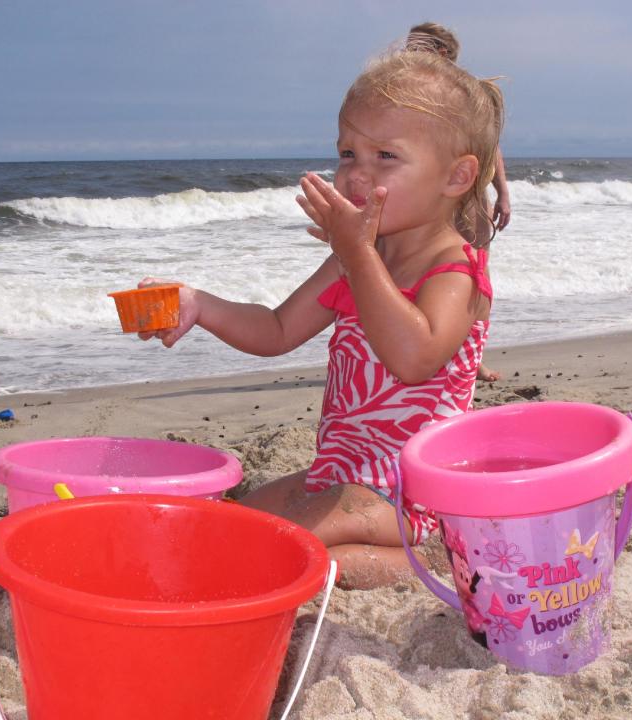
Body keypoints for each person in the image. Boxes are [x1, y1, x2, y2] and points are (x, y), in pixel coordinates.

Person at [138, 46, 503, 589]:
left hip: (413, 492)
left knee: (285, 553)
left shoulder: (455, 271)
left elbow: (416, 357)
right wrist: (201, 305)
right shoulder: (352, 259)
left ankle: (430, 559)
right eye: (348, 153)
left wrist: (357, 256)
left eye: (385, 157)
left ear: (456, 178)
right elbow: (277, 330)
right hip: (338, 474)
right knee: (231, 525)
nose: (357, 173)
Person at [407, 22, 510, 382]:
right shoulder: (410, 93)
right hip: (429, 201)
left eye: (414, 47)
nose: (406, 53)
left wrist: (503, 194)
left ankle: (473, 357)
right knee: (422, 272)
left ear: (440, 53)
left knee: (476, 276)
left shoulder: (466, 94)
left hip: (470, 200)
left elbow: (490, 147)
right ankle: (426, 347)